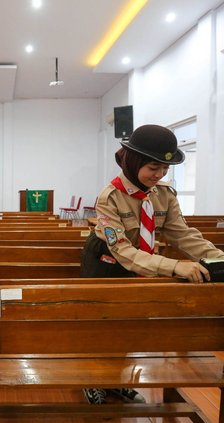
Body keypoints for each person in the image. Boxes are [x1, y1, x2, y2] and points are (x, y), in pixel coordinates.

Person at [80, 124, 224, 405]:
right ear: (134, 162)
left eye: (164, 170)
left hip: (148, 261)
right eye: (152, 168)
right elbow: (122, 250)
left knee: (129, 325)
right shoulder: (110, 196)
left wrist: (218, 257)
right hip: (107, 263)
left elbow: (182, 233)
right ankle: (92, 380)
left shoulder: (164, 193)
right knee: (101, 327)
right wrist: (174, 266)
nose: (158, 176)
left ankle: (115, 380)